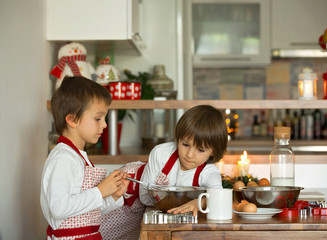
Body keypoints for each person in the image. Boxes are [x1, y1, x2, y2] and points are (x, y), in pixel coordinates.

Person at [100, 104, 228, 240]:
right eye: (185, 145)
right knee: (99, 230)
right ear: (178, 138)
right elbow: (144, 195)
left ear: (213, 151)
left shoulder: (209, 172)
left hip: (148, 208)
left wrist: (199, 203)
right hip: (126, 190)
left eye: (200, 150)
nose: (190, 154)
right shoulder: (161, 153)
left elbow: (218, 196)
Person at [40, 76, 130, 240]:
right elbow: (59, 208)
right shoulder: (63, 158)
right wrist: (100, 190)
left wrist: (113, 195)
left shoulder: (78, 157)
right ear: (72, 120)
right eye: (98, 118)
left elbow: (87, 211)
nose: (104, 124)